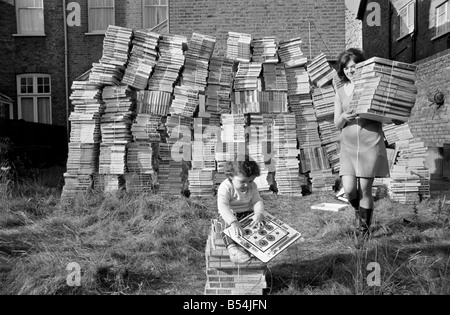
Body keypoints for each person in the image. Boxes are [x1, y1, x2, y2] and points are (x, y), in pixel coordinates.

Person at [334, 48, 390, 238]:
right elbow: (337, 123)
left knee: (365, 189)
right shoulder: (340, 91)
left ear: (362, 66)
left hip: (370, 143)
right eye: (347, 68)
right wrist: (344, 115)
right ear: (343, 70)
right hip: (348, 147)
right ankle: (360, 212)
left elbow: (386, 116)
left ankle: (363, 232)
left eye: (355, 67)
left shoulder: (373, 87)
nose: (351, 71)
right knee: (349, 189)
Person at [217, 156, 265, 264]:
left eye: (250, 181)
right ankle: (233, 249)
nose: (247, 185)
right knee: (224, 226)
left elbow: (257, 200)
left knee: (257, 223)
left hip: (246, 213)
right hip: (231, 214)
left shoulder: (252, 186)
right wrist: (233, 222)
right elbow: (223, 207)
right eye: (242, 181)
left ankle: (253, 246)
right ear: (231, 176)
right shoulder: (225, 187)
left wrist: (258, 213)